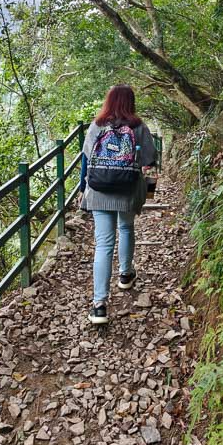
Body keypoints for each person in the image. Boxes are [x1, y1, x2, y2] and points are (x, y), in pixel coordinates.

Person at [79, 84, 157, 325]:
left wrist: (83, 190)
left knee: (103, 244)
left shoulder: (97, 125)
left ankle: (99, 305)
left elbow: (86, 159)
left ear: (108, 101)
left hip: (99, 189)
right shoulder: (138, 126)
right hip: (126, 189)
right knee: (125, 228)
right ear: (130, 102)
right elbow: (149, 159)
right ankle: (125, 274)